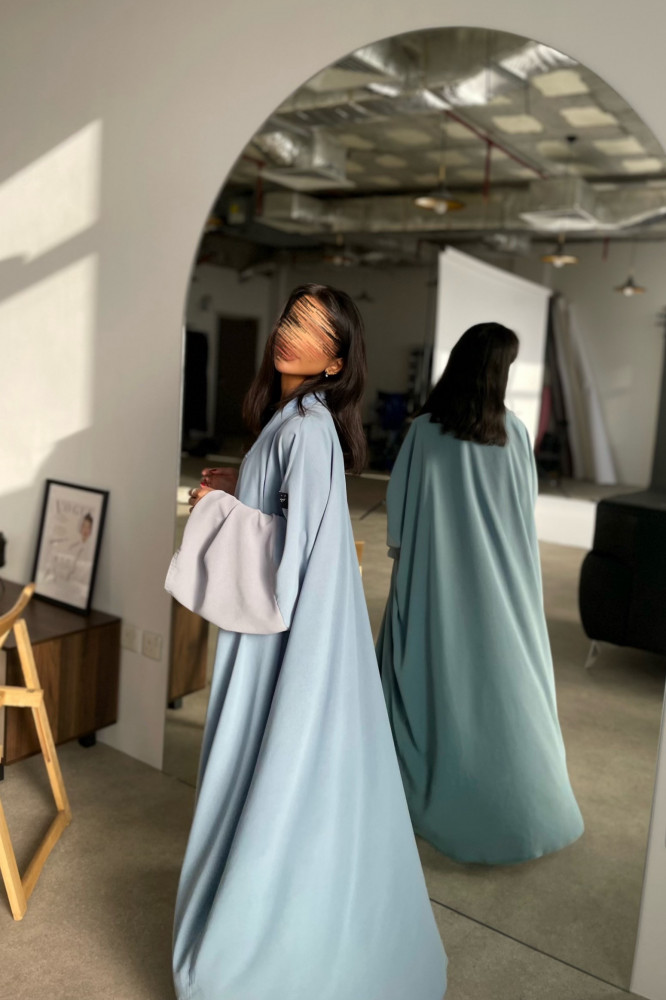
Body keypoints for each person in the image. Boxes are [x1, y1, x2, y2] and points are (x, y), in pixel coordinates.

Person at [166, 284, 447, 1000]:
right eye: (292, 316)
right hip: (283, 629)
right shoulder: (291, 420)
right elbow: (295, 514)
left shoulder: (306, 428)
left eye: (315, 329)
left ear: (335, 361)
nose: (292, 332)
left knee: (265, 766)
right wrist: (239, 484)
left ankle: (255, 941)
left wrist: (217, 509)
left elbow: (295, 556)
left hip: (280, 636)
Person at [377, 322, 584, 866]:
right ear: (498, 373)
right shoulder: (515, 433)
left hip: (437, 580)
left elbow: (400, 524)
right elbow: (523, 513)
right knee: (506, 682)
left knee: (431, 674)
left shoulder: (425, 433)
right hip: (506, 584)